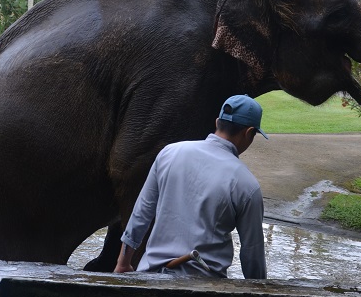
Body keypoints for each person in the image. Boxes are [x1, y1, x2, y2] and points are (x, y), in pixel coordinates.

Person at [114, 94, 268, 279]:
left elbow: (142, 212)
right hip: (204, 286)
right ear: (249, 132)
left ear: (218, 121)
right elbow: (252, 252)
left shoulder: (169, 153)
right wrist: (258, 292)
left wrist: (123, 263)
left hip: (151, 276)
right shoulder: (246, 184)